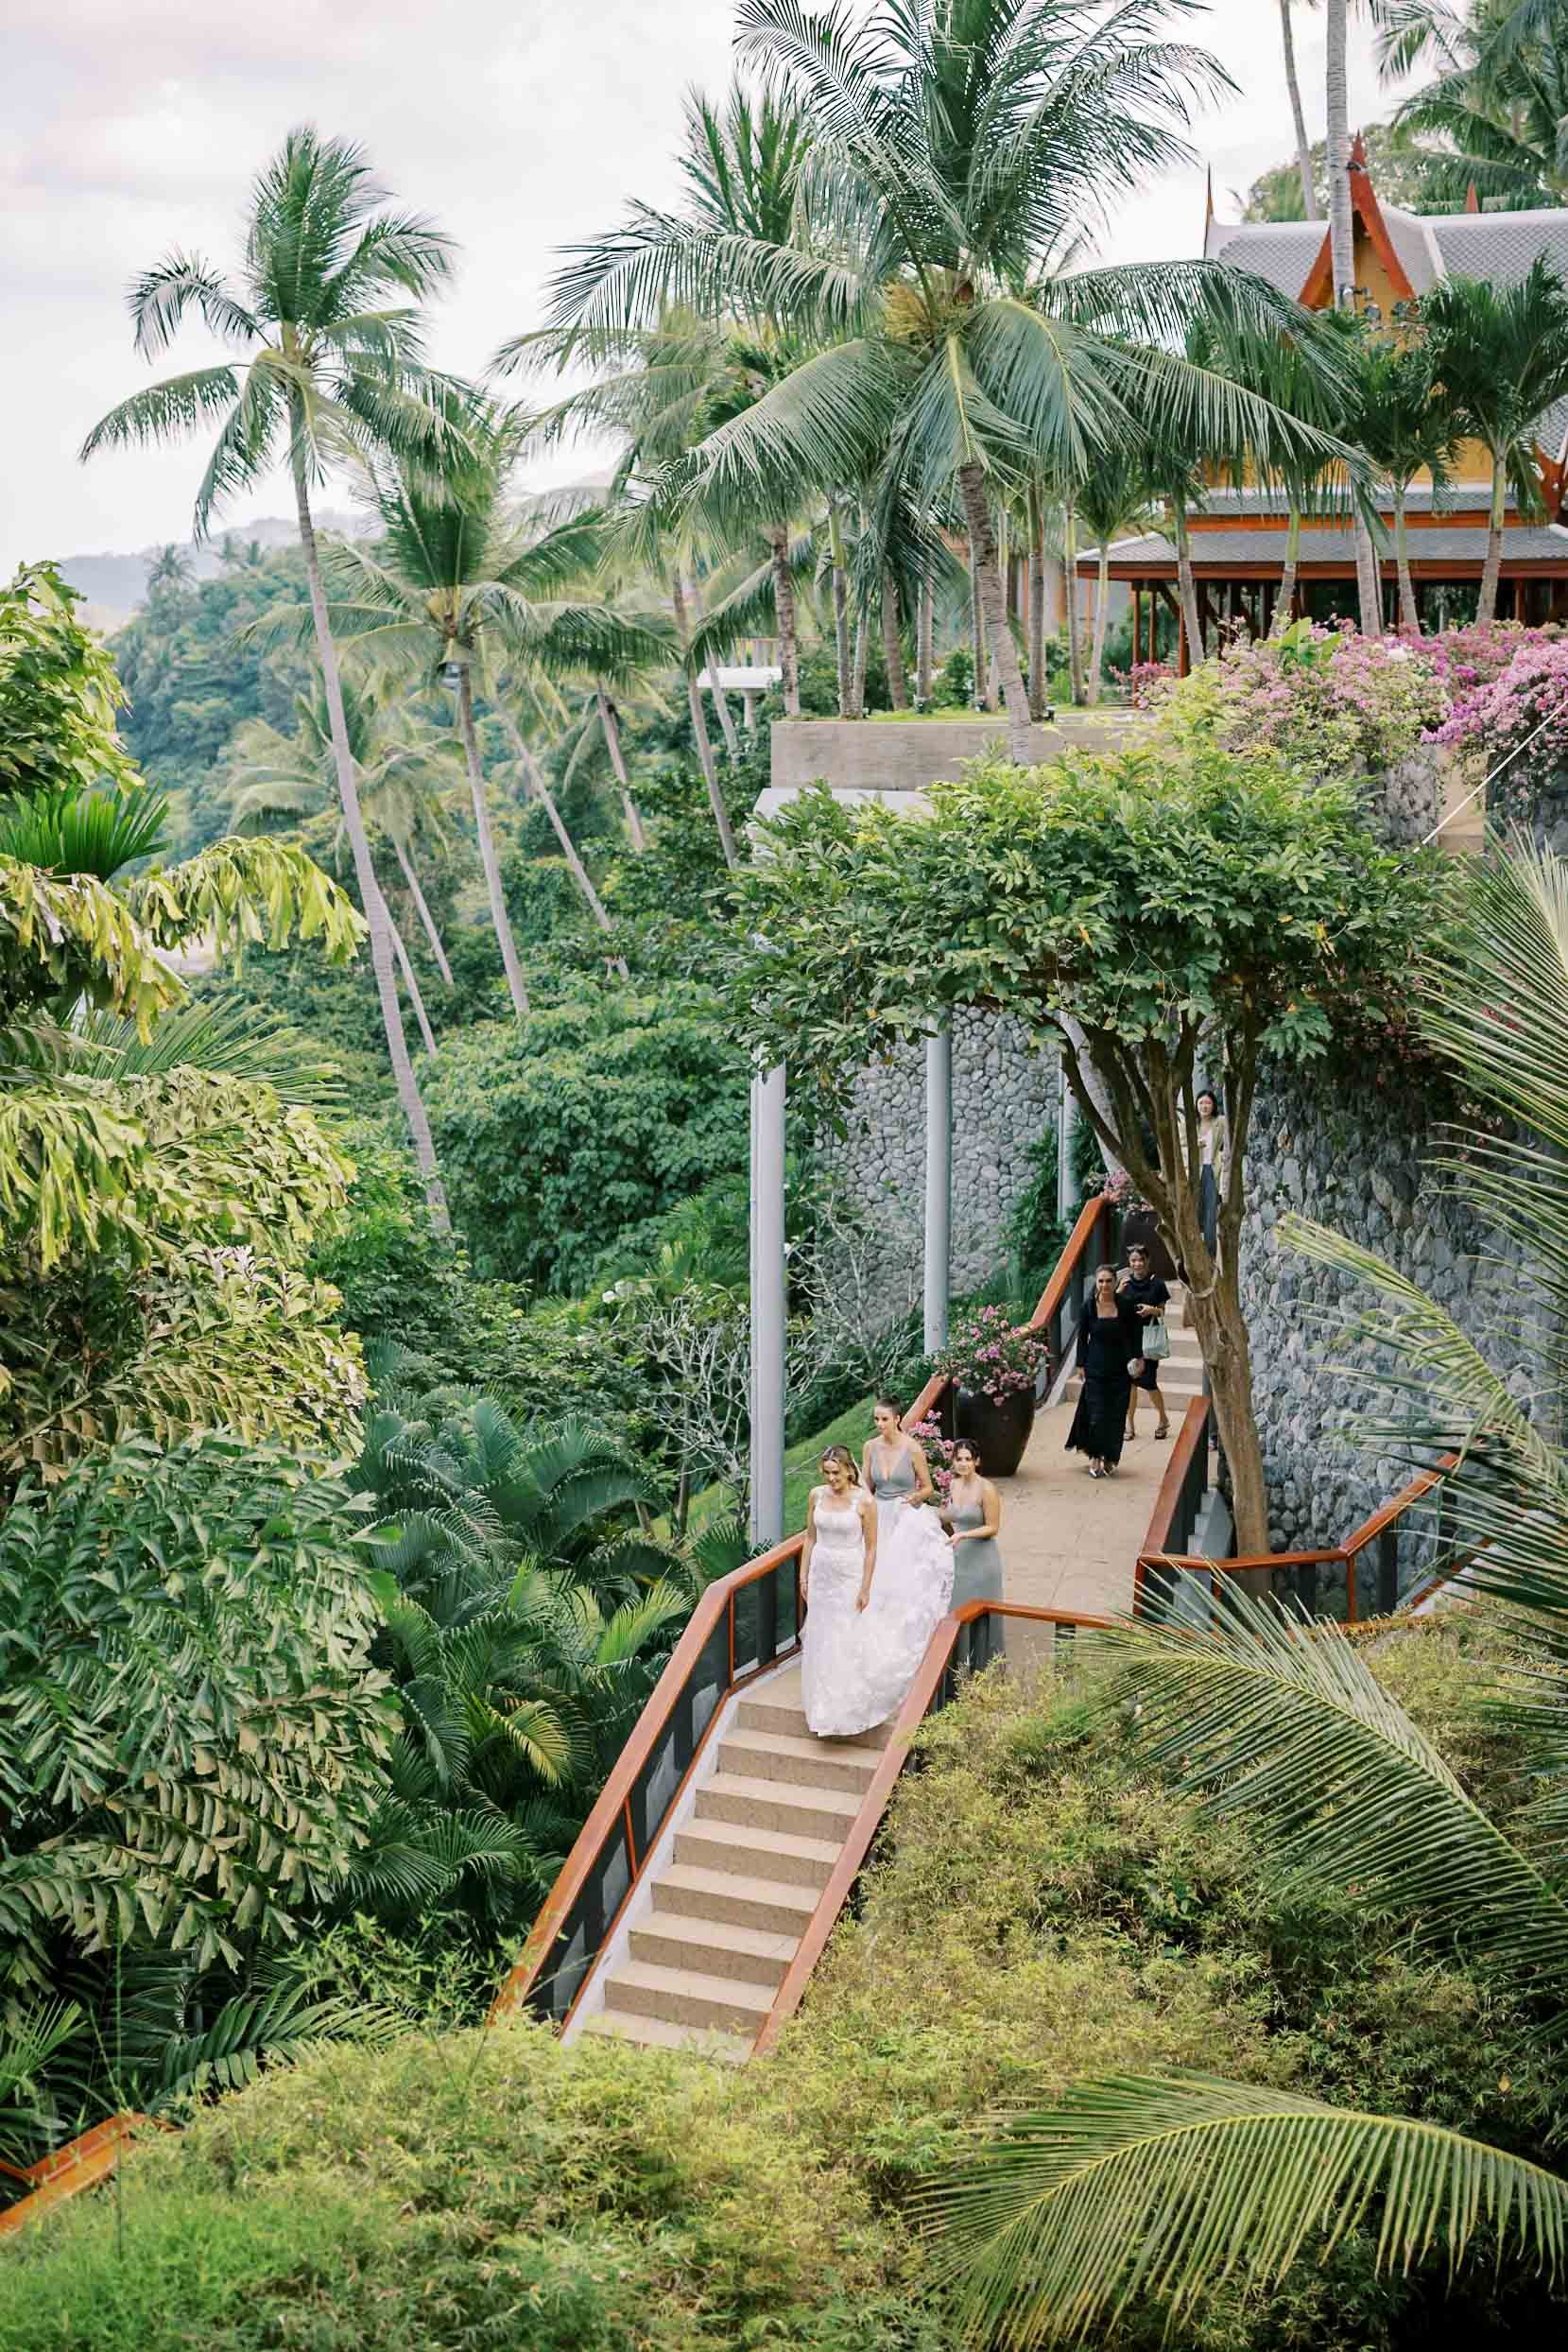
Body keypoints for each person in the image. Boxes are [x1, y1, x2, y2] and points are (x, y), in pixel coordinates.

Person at [800, 1442, 951, 1737]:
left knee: (847, 1634)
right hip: (821, 1574)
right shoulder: (816, 1496)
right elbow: (809, 1538)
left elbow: (871, 1548)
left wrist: (866, 1587)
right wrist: (804, 1576)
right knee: (822, 1633)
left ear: (849, 1471)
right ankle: (822, 1703)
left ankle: (846, 1704)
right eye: (827, 1473)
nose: (832, 1479)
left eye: (837, 1473)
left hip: (849, 1574)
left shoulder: (864, 1502)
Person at [1065, 1265, 1146, 1479]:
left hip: (1120, 1368)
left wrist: (1139, 1358)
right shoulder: (1088, 1307)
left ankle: (1111, 1457)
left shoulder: (1126, 1306)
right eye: (1101, 1281)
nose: (1105, 1285)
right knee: (1097, 1414)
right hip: (1096, 1368)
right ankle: (1095, 1456)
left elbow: (1135, 1333)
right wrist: (1080, 1365)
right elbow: (1082, 1339)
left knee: (1117, 1414)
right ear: (1097, 1283)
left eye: (1109, 1280)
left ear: (1115, 1282)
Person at [1117, 1242, 1171, 1442]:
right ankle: (1129, 1425)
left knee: (1148, 1383)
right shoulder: (1124, 1283)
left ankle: (1163, 1419)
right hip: (1128, 1339)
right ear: (1129, 1262)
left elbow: (1163, 1311)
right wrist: (1118, 1293)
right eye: (1133, 1260)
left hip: (1148, 1340)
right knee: (1130, 1383)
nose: (1137, 1264)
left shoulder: (1158, 1284)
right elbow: (1112, 1307)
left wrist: (1151, 1310)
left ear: (1147, 1261)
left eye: (1140, 1260)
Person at [942, 1441, 1004, 1607]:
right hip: (960, 1559)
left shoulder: (987, 1489)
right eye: (959, 1459)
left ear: (976, 1461)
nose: (963, 1464)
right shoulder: (953, 1484)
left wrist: (963, 1534)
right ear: (953, 1461)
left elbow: (993, 1528)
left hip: (982, 1560)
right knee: (957, 1609)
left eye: (968, 1459)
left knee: (979, 1611)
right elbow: (952, 1515)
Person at [1194, 1088, 1228, 1257]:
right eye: (1201, 1103)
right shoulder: (1191, 1125)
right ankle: (1195, 1252)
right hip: (1195, 1171)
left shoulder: (1220, 1121)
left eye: (1207, 1102)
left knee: (1210, 1212)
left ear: (1213, 1104)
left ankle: (1210, 1253)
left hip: (1212, 1170)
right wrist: (1195, 1145)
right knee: (1195, 1210)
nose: (1204, 1106)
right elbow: (1180, 1146)